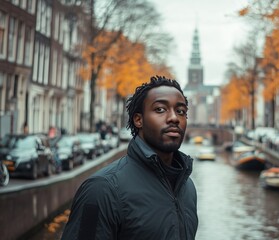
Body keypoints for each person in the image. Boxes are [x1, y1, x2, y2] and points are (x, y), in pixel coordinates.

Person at [61, 76, 198, 240]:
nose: (174, 118)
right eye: (160, 109)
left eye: (181, 111)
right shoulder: (102, 189)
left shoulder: (187, 187)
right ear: (138, 120)